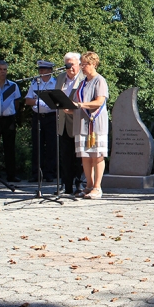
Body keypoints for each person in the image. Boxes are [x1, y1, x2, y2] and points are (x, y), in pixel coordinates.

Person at [73, 51, 109, 199]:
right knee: (85, 156)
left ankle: (97, 187)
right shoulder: (82, 83)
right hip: (82, 123)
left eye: (85, 64)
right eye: (81, 63)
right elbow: (78, 103)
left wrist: (80, 104)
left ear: (93, 64)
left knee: (97, 155)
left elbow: (99, 101)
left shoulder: (99, 80)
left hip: (96, 122)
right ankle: (88, 185)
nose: (82, 66)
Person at [56, 53, 85, 195]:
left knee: (79, 156)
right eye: (67, 64)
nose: (69, 67)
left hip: (78, 121)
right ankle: (66, 185)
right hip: (63, 122)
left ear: (79, 64)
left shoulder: (84, 78)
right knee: (65, 155)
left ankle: (79, 184)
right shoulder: (61, 78)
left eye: (72, 64)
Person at [24, 60, 58, 183]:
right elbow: (28, 100)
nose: (41, 72)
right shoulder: (35, 83)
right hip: (38, 116)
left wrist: (38, 100)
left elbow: (56, 101)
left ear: (49, 71)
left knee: (51, 146)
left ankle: (50, 173)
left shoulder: (55, 83)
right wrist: (39, 102)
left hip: (51, 117)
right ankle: (36, 173)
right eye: (40, 70)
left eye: (43, 70)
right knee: (37, 145)